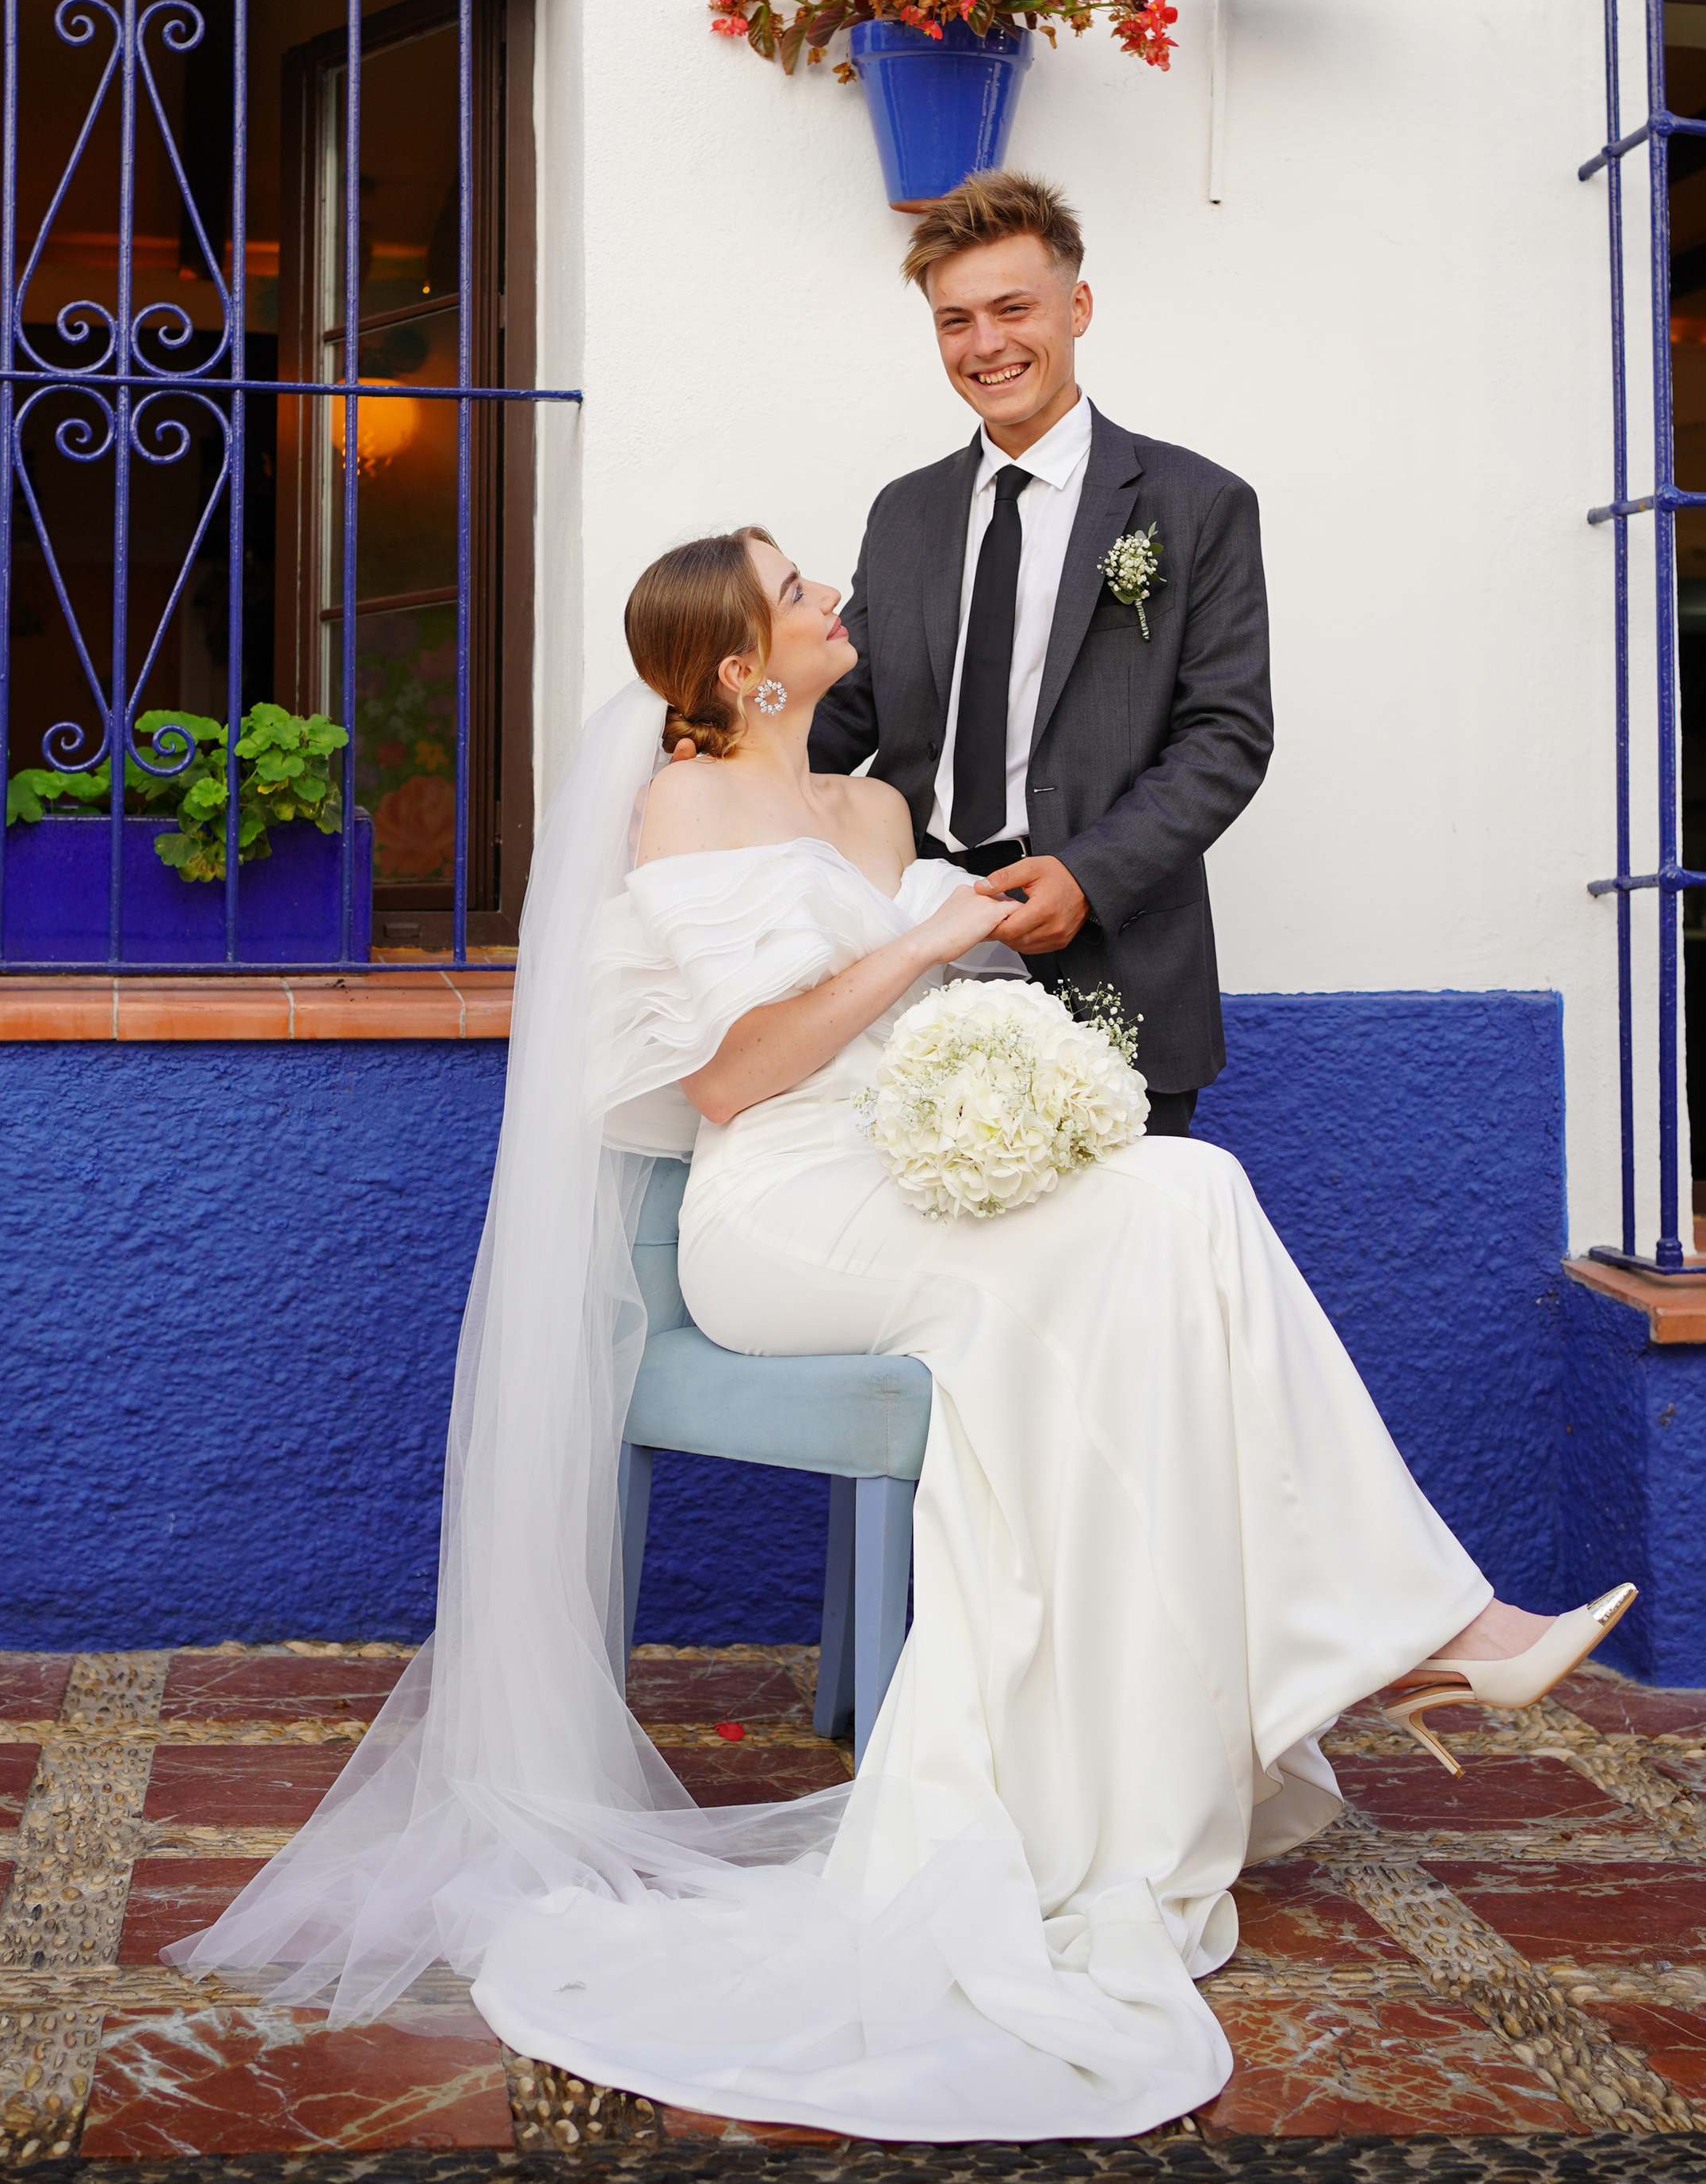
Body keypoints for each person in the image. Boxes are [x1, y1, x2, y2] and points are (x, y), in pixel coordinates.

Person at [173, 524, 1632, 2145]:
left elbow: (948, 995)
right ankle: (1407, 1629)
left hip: (914, 1180)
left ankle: (1346, 1656)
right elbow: (733, 1076)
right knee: (1131, 1232)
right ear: (743, 667)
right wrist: (926, 942)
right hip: (780, 1214)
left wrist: (1008, 1049)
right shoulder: (681, 806)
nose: (831, 599)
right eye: (797, 591)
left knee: (1188, 1191)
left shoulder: (870, 809)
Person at [809, 171, 1265, 1138]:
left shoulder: (1197, 504)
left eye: (1013, 309)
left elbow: (1225, 735)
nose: (985, 345)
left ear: (1077, 307)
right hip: (915, 948)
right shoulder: (904, 512)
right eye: (955, 320)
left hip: (1117, 959)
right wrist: (710, 770)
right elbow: (851, 705)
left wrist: (1089, 877)